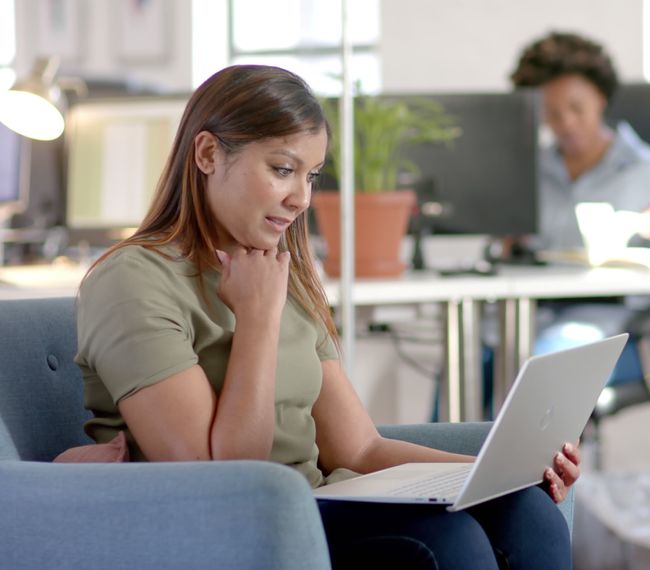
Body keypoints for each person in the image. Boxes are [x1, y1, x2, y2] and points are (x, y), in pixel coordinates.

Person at [74, 65, 578, 570]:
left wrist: (502, 472)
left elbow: (358, 448)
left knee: (525, 511)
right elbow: (220, 479)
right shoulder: (134, 280)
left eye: (311, 176)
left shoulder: (276, 269)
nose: (301, 198)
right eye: (281, 169)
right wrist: (257, 319)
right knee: (448, 543)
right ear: (207, 154)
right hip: (233, 523)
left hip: (318, 505)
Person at [510, 31, 650, 264]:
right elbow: (498, 260)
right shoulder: (528, 174)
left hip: (614, 299)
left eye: (577, 107)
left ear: (601, 98)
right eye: (551, 112)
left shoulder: (648, 171)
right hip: (539, 298)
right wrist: (508, 246)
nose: (566, 123)